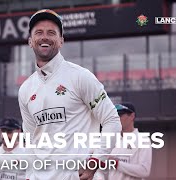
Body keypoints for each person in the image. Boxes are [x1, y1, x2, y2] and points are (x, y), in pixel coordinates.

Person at [18, 9, 122, 180]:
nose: (45, 37)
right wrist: (29, 174)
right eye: (39, 32)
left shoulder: (81, 76)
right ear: (30, 41)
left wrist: (94, 162)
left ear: (61, 41)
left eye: (51, 33)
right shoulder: (25, 89)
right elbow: (30, 139)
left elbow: (112, 120)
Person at [107, 102, 152, 180]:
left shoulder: (143, 140)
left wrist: (117, 164)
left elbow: (144, 171)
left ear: (132, 116)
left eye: (120, 115)